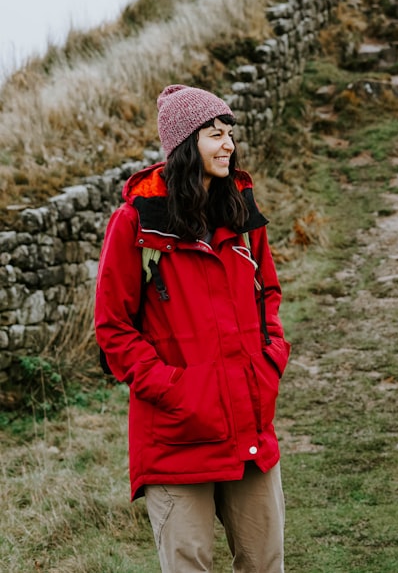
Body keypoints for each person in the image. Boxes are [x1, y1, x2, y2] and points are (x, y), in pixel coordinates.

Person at [94, 84, 290, 573]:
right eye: (213, 134)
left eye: (229, 134)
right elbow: (113, 328)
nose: (228, 145)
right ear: (184, 144)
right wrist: (177, 391)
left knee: (265, 565)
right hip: (175, 437)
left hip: (249, 427)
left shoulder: (242, 214)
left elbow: (269, 294)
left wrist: (268, 364)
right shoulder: (135, 224)